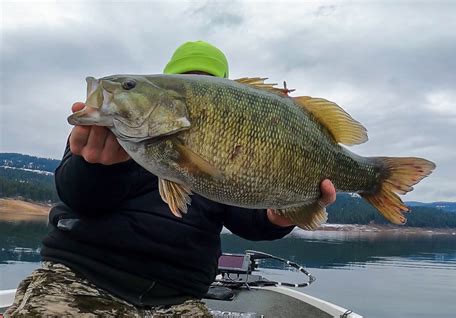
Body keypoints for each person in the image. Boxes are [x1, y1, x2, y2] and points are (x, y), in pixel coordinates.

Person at [5, 41, 336, 317]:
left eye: (208, 87)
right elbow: (77, 196)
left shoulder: (238, 148)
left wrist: (275, 217)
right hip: (82, 277)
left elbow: (246, 216)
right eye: (185, 84)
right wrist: (96, 167)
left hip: (178, 298)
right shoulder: (105, 131)